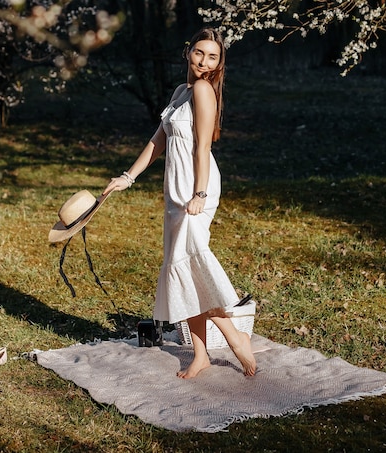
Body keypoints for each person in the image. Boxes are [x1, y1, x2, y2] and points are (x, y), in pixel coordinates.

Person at [103, 27, 256, 379]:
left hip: (195, 188)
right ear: (189, 53)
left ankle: (235, 339)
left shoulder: (203, 90)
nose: (204, 61)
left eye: (213, 56)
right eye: (200, 53)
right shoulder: (180, 91)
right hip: (175, 191)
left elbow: (203, 147)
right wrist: (127, 177)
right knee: (181, 274)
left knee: (190, 267)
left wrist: (199, 194)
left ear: (220, 62)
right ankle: (200, 354)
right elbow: (157, 142)